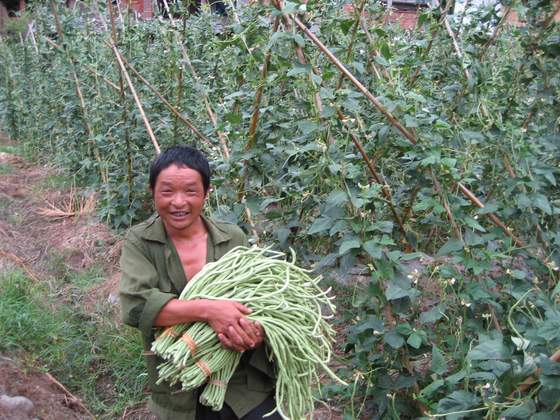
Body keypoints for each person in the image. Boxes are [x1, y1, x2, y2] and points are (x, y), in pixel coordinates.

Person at [119, 145, 278, 420]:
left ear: (206, 193)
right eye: (167, 191)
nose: (178, 202)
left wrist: (255, 331)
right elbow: (135, 307)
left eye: (190, 191)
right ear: (152, 191)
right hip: (180, 381)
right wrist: (209, 310)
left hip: (241, 379)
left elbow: (258, 302)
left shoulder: (233, 238)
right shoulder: (140, 241)